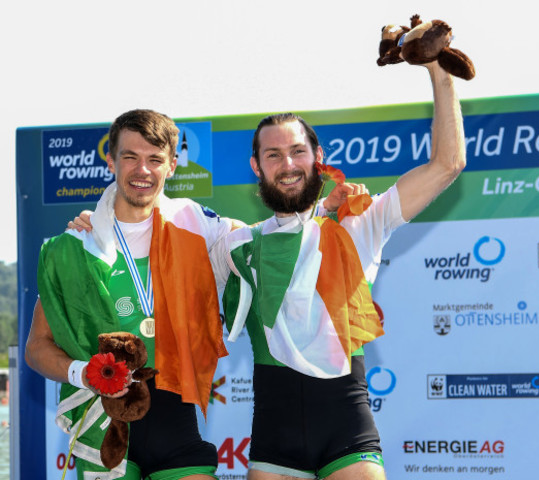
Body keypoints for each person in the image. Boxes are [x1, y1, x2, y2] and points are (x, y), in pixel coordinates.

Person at [213, 59, 466, 480]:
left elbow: (447, 164)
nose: (288, 164)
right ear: (257, 167)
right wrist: (102, 221)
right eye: (273, 154)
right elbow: (164, 242)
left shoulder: (359, 221)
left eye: (298, 151)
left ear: (318, 158)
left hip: (346, 427)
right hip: (274, 436)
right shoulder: (235, 244)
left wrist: (439, 73)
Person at [25, 109, 232, 480]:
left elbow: (266, 240)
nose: (142, 170)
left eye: (155, 159)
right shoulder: (76, 246)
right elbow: (37, 347)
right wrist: (84, 374)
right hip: (105, 424)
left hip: (176, 415)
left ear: (171, 166)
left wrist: (323, 211)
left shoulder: (196, 223)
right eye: (130, 157)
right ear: (111, 161)